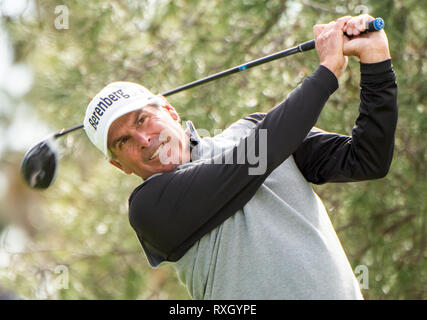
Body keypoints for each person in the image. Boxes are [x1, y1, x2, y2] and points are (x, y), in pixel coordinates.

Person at [83, 14, 397, 299]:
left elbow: (367, 159)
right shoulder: (149, 209)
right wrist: (327, 71)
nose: (142, 139)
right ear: (119, 165)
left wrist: (376, 62)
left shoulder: (256, 128)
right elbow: (249, 162)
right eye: (123, 141)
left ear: (169, 110)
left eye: (141, 119)